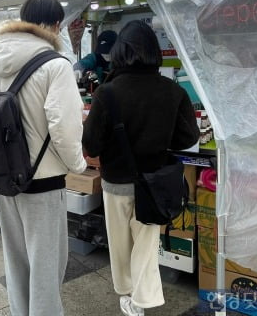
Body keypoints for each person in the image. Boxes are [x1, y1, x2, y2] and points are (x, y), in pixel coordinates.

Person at [82, 21, 200, 316]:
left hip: (116, 183)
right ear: (155, 53)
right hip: (154, 185)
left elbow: (91, 146)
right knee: (146, 247)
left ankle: (127, 294)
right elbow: (188, 139)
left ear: (120, 52)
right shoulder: (173, 91)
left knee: (120, 245)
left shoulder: (106, 93)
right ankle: (141, 302)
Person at [0, 0, 86, 316]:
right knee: (46, 263)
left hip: (3, 177)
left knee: (16, 259)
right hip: (42, 179)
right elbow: (64, 126)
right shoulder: (55, 65)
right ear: (55, 25)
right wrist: (78, 165)